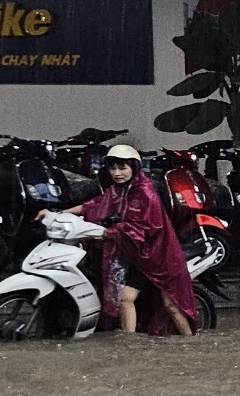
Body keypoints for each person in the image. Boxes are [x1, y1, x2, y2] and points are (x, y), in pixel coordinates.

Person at [71, 143, 198, 337]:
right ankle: (129, 344)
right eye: (113, 168)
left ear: (134, 167)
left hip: (161, 259)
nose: (117, 173)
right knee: (125, 298)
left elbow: (142, 229)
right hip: (140, 259)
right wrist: (60, 214)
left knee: (171, 305)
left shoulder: (145, 194)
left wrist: (109, 232)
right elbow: (94, 205)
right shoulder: (118, 191)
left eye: (122, 167)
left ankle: (191, 343)